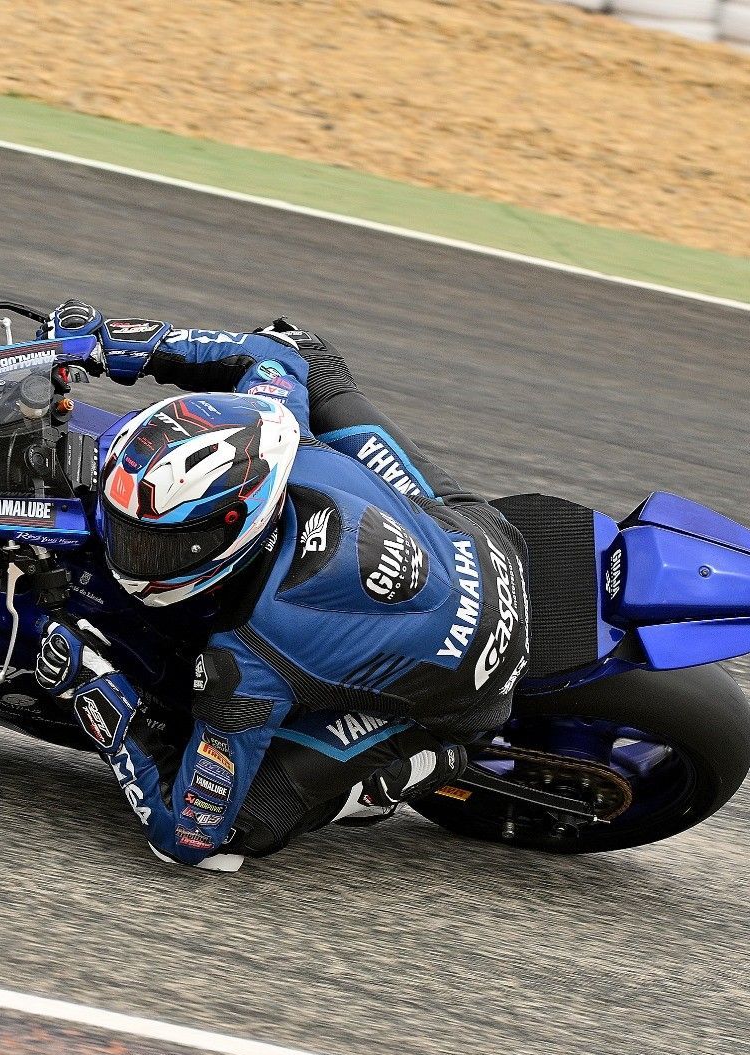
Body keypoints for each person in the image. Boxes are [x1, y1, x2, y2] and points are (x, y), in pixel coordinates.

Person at [32, 300, 530, 871]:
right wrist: (134, 344)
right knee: (300, 351)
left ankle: (408, 770)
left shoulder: (248, 662)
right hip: (483, 536)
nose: (130, 553)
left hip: (472, 686)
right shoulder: (283, 433)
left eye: (155, 545)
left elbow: (187, 834)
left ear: (233, 532)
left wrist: (97, 688)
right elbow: (271, 358)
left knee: (237, 831)